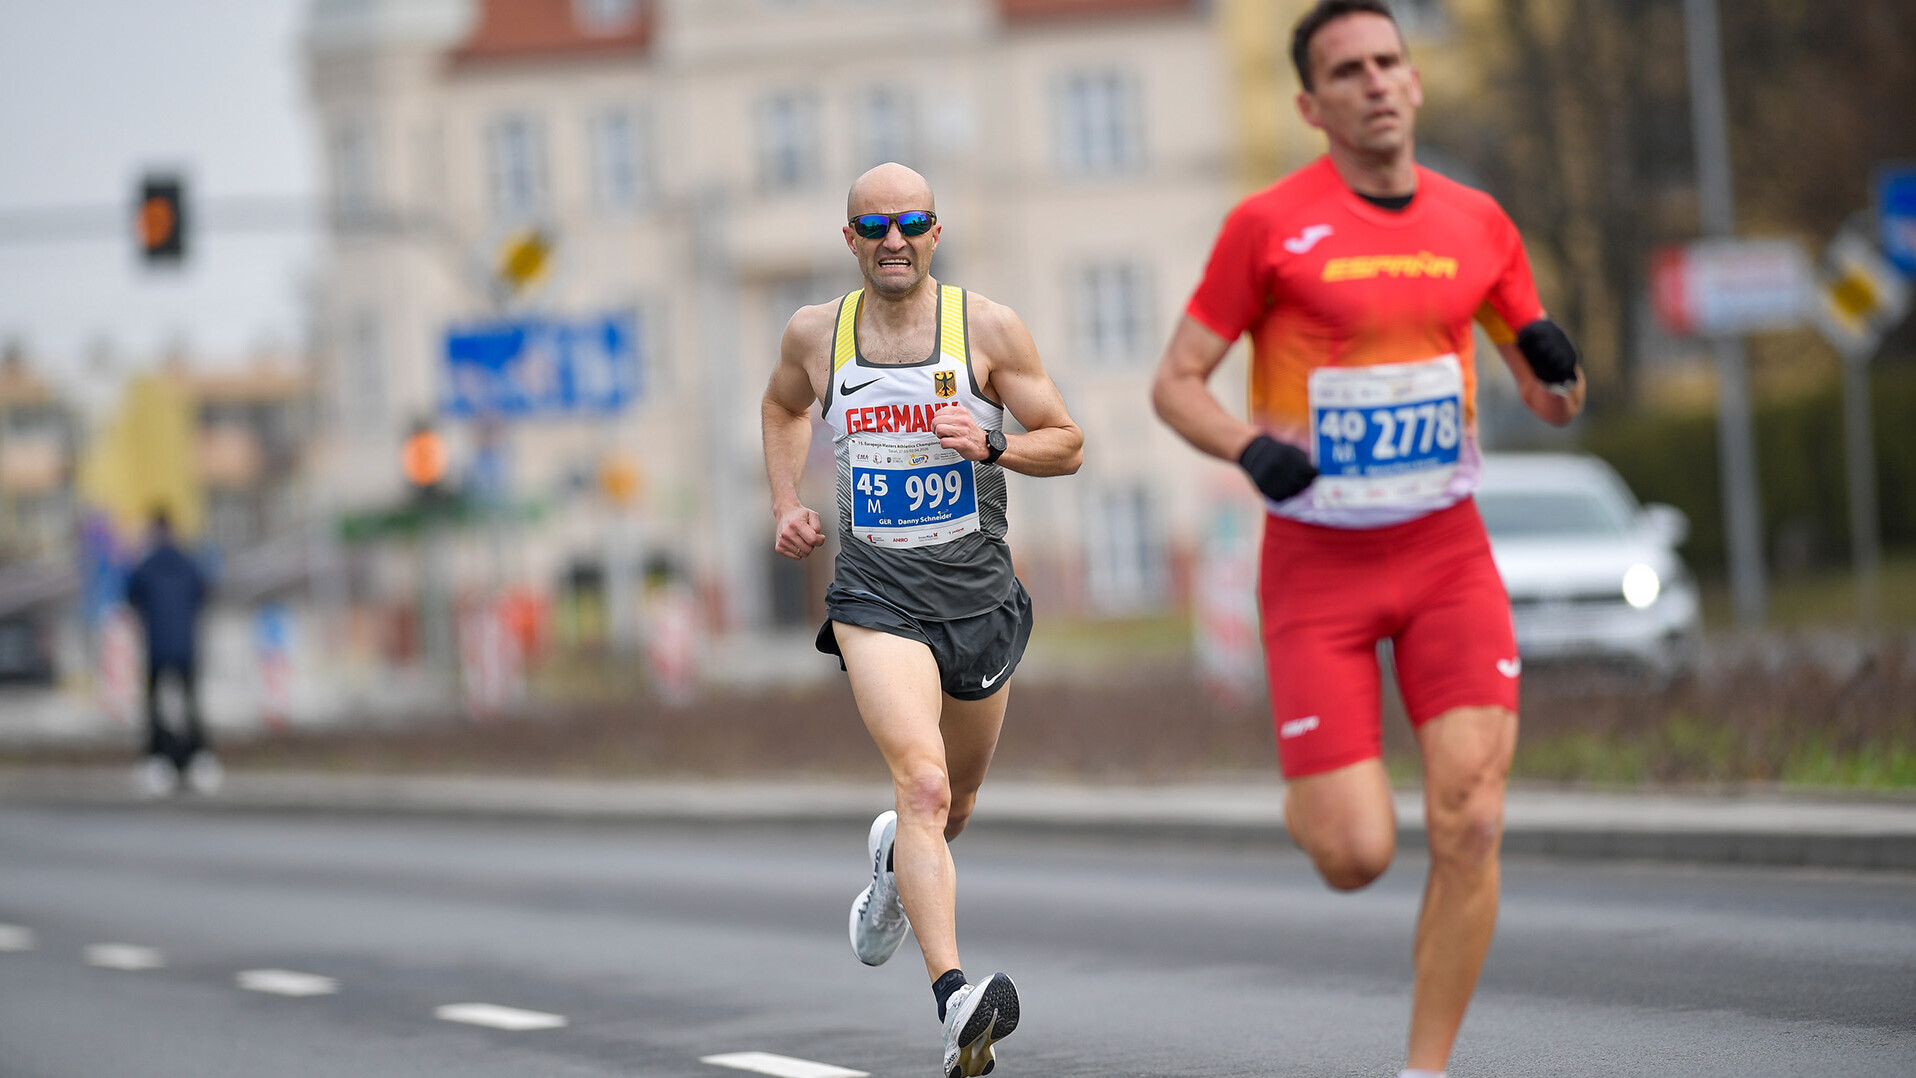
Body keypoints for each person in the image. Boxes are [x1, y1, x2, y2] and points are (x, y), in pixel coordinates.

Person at [1150, 3, 1585, 1076]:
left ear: (1416, 81)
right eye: (1346, 71)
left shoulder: (1479, 223)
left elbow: (1553, 401)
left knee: (1471, 819)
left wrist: (1554, 363)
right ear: (1310, 105)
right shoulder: (1266, 226)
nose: (1375, 82)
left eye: (1389, 61)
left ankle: (1421, 1069)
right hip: (1317, 567)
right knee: (1354, 855)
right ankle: (1312, 797)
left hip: (1446, 554)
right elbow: (1173, 385)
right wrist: (1251, 448)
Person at [761, 162, 1083, 1078]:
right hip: (875, 594)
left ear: (935, 232)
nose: (893, 239)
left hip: (978, 600)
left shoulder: (984, 327)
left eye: (911, 223)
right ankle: (955, 1002)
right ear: (851, 240)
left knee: (960, 801)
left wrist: (993, 443)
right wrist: (786, 502)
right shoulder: (817, 335)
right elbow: (783, 405)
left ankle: (895, 867)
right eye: (874, 226)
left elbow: (1067, 442)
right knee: (926, 786)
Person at [123, 508, 218, 796]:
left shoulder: (146, 566)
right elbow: (204, 594)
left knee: (155, 709)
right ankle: (197, 758)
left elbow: (131, 596)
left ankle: (160, 760)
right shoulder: (189, 564)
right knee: (190, 706)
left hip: (157, 648)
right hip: (186, 647)